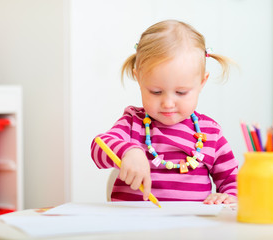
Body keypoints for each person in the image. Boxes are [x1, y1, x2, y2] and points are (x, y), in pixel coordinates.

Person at [91, 20, 238, 204]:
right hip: (132, 228)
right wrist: (128, 152)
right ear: (139, 79)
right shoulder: (132, 122)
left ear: (202, 82)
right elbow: (99, 148)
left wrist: (228, 197)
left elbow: (233, 181)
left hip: (191, 229)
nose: (168, 103)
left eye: (181, 92)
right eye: (156, 92)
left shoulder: (210, 133)